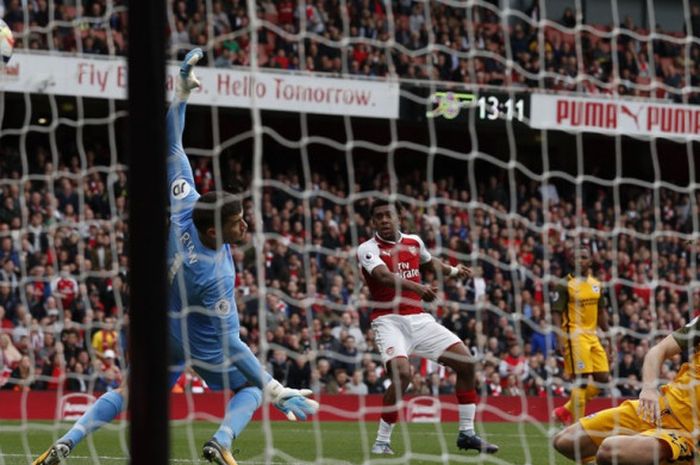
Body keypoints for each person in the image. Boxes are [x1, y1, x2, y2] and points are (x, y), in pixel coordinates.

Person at [33, 48, 318, 465]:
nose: (245, 228)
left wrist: (181, 93)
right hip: (200, 343)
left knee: (127, 391)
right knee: (249, 389)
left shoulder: (186, 204)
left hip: (161, 327)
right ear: (213, 231)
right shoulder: (214, 273)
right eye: (238, 223)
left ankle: (67, 441)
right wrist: (275, 389)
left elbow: (170, 142)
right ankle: (220, 441)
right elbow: (233, 345)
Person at [357, 199, 498, 455]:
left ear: (400, 217)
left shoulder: (414, 242)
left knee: (466, 363)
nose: (384, 220)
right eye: (379, 217)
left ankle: (467, 434)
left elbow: (431, 263)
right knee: (402, 376)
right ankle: (381, 441)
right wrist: (419, 288)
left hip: (420, 320)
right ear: (373, 222)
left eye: (389, 215)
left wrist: (454, 271)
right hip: (388, 321)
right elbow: (382, 276)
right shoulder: (368, 249)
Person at [553, 316, 700, 465]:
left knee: (609, 450)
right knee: (564, 441)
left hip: (684, 434)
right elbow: (659, 350)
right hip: (655, 409)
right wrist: (649, 389)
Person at [551, 242, 611, 424]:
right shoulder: (564, 285)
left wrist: (607, 335)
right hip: (574, 337)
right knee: (582, 380)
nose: (580, 260)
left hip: (592, 336)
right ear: (570, 261)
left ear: (590, 261)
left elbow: (601, 313)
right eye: (576, 257)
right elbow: (556, 313)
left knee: (603, 379)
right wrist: (560, 339)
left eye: (584, 257)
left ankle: (564, 411)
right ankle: (578, 426)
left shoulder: (596, 284)